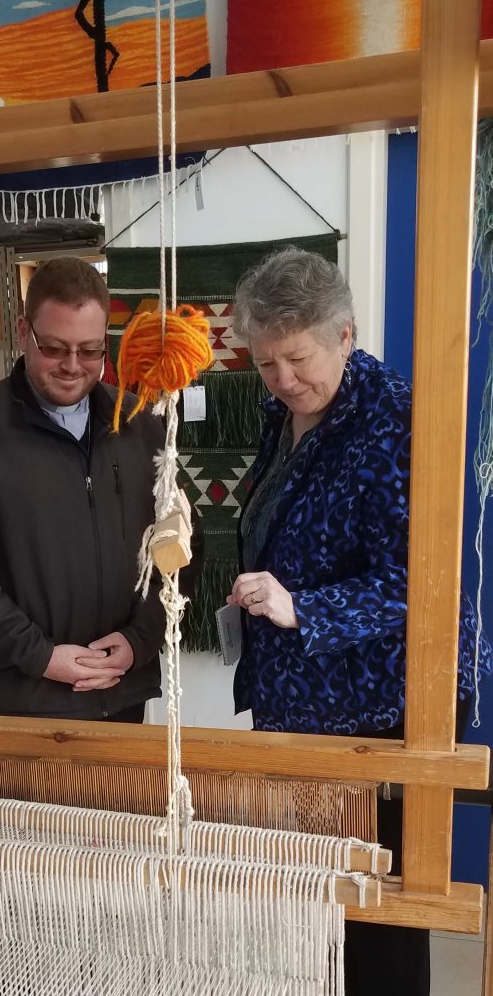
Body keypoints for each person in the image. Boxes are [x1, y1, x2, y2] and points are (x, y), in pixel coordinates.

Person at [226, 246, 493, 996]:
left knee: (375, 910)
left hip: (381, 709)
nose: (282, 380)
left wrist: (301, 605)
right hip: (312, 699)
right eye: (267, 363)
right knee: (322, 903)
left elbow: (426, 580)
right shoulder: (288, 411)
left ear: (346, 335)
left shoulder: (401, 421)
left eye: (298, 358)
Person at [0, 256, 168, 723]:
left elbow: (181, 548)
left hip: (119, 695)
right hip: (16, 702)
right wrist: (39, 656)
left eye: (90, 350)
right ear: (23, 332)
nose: (73, 366)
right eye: (54, 348)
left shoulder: (140, 425)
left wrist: (140, 640)